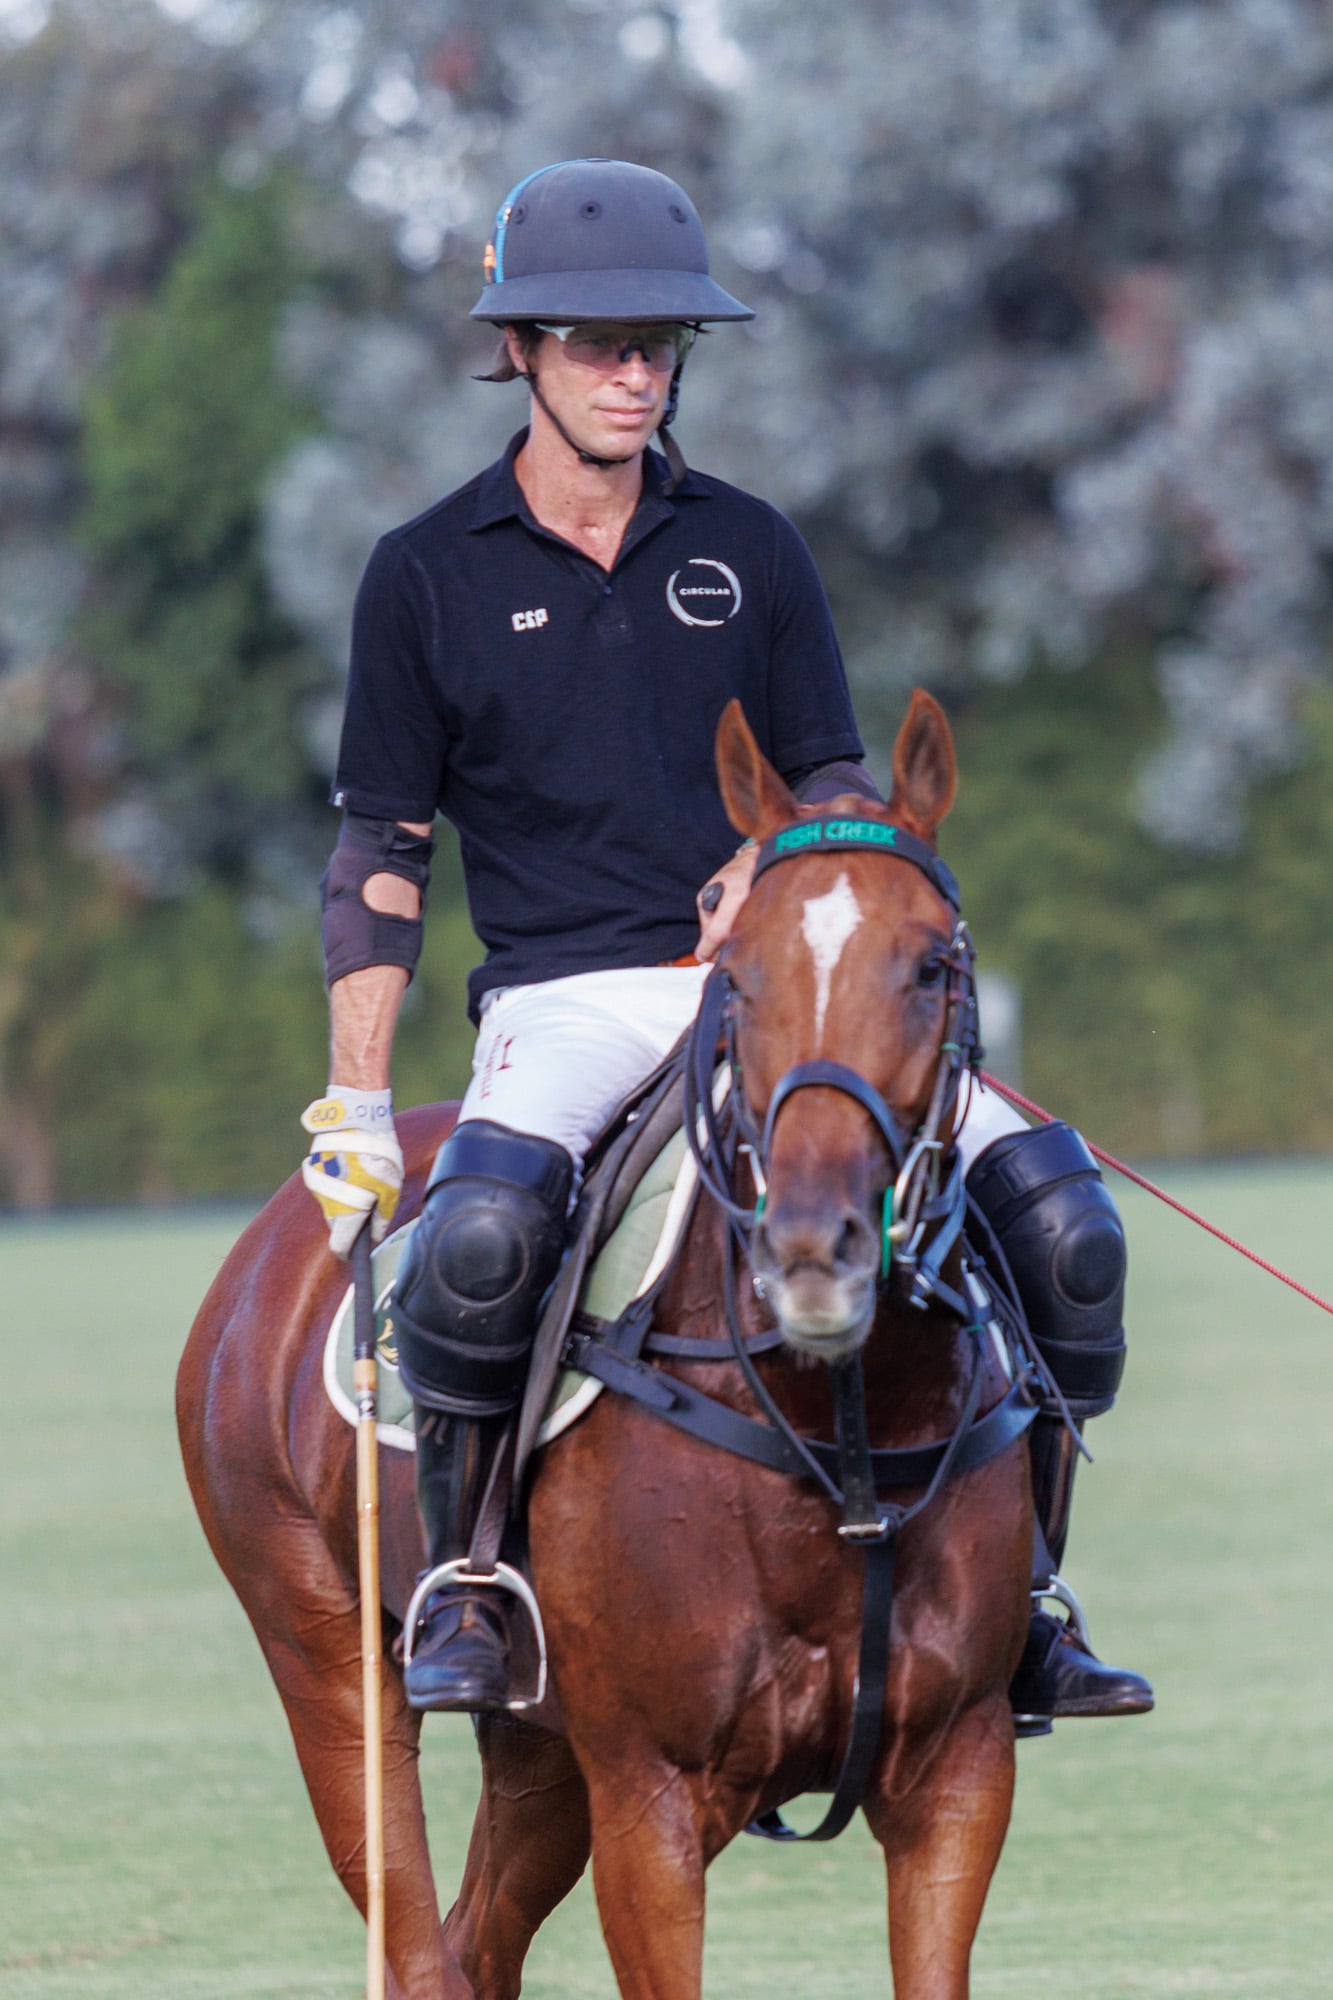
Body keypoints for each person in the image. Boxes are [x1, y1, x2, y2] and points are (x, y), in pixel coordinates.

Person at [299, 157, 1152, 1731]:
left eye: (660, 345)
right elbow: (383, 850)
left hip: (774, 986)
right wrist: (357, 1098)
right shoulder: (425, 573)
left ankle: (1028, 1589)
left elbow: (832, 776)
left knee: (1063, 1221)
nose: (636, 373)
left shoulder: (747, 546)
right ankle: (475, 1577)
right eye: (599, 343)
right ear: (522, 352)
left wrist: (767, 860)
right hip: (566, 998)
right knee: (478, 1244)